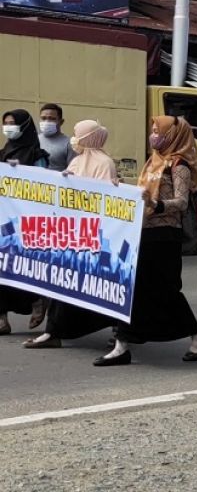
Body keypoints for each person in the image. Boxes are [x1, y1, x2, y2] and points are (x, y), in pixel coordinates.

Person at [95, 116, 197, 366]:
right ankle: (122, 343)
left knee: (166, 291)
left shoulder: (179, 165)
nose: (154, 135)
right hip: (143, 232)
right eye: (153, 130)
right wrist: (123, 189)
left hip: (165, 235)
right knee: (132, 287)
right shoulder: (153, 161)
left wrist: (155, 204)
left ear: (173, 135)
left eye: (159, 131)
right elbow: (142, 194)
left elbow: (181, 202)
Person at [23, 119, 121, 348]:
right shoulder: (77, 161)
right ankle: (53, 331)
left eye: (78, 134)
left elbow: (103, 199)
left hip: (92, 235)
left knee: (99, 284)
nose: (74, 138)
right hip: (70, 234)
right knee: (61, 284)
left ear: (90, 137)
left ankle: (119, 331)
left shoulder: (105, 164)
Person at [0, 109, 50, 335]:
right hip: (3, 223)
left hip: (26, 224)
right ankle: (2, 318)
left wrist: (20, 172)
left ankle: (35, 300)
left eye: (13, 123)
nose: (9, 127)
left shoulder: (37, 153)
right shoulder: (2, 153)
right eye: (6, 123)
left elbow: (42, 185)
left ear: (25, 125)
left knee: (23, 269)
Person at [37, 103, 74, 172]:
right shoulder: (34, 140)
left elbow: (73, 170)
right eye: (43, 118)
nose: (46, 121)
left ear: (61, 122)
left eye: (52, 119)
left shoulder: (69, 144)